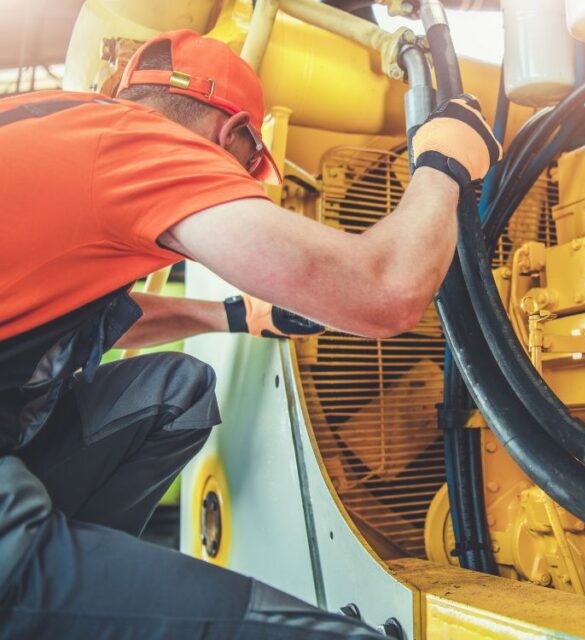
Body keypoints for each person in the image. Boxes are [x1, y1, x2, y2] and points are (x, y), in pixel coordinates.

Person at [0, 29, 500, 638]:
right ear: (231, 134)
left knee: (176, 391)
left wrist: (237, 315)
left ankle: (89, 591)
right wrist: (445, 161)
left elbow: (93, 316)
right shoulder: (138, 143)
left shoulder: (53, 126)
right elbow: (387, 292)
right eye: (244, 169)